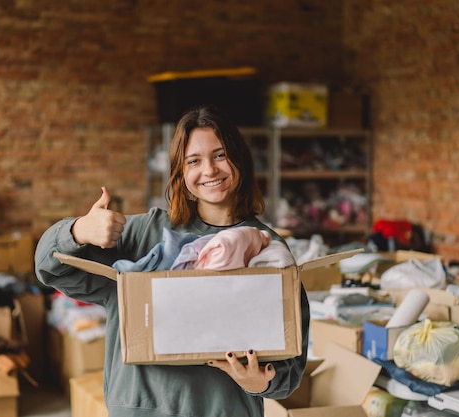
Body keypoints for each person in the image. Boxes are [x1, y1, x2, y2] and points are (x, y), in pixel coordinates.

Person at [34, 104, 310, 417]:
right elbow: (49, 269)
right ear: (181, 173)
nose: (209, 170)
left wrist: (261, 381)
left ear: (240, 161)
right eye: (194, 161)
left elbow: (290, 369)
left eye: (220, 155)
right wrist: (78, 230)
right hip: (142, 410)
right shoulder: (144, 235)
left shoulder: (268, 250)